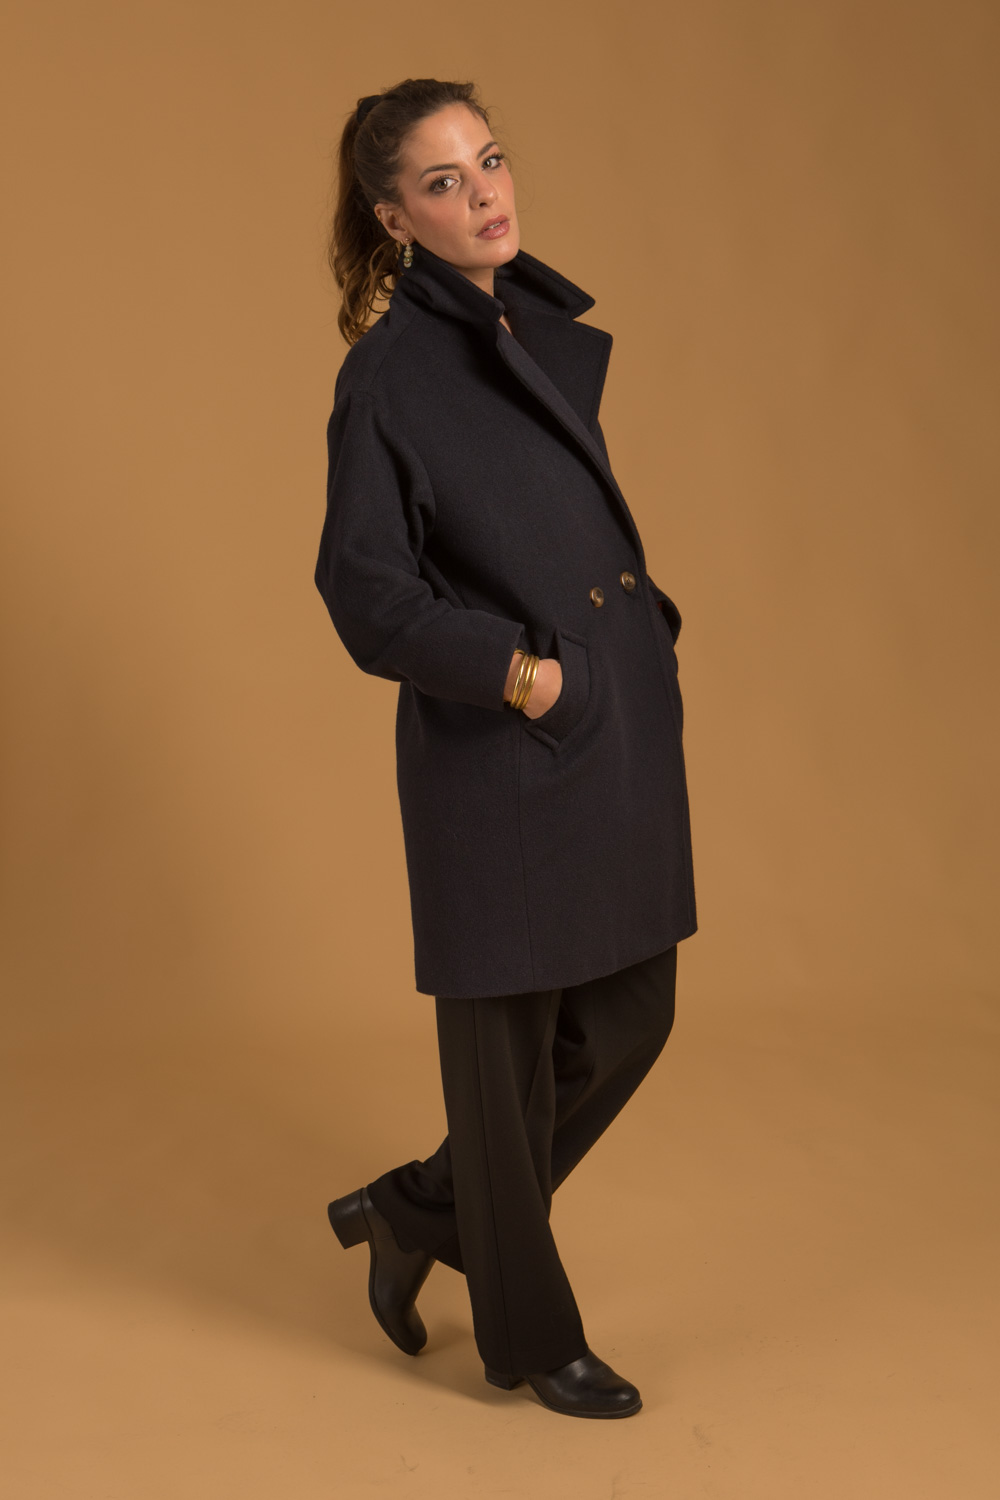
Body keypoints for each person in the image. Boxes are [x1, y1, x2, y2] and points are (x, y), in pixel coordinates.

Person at [314, 77, 697, 1419]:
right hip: (501, 752)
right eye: (443, 181)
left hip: (602, 727)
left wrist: (636, 639)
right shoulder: (389, 378)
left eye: (490, 160)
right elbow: (366, 591)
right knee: (504, 1065)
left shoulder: (518, 324)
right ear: (393, 217)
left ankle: (416, 1212)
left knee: (632, 1016)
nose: (483, 195)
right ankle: (533, 1338)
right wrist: (524, 679)